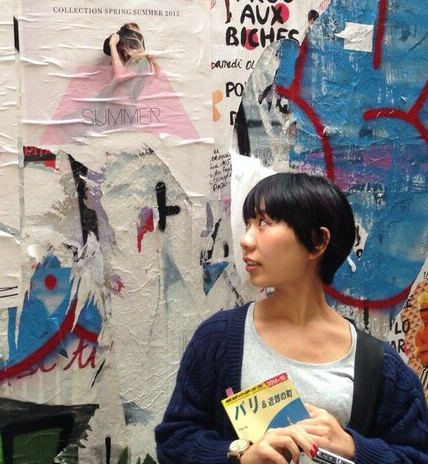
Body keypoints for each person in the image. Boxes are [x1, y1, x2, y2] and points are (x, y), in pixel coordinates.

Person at [155, 172, 428, 463]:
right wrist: (240, 457)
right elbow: (174, 442)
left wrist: (352, 447)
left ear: (318, 241)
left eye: (263, 223)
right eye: (248, 224)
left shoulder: (379, 366)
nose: (245, 240)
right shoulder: (217, 339)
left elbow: (416, 455)